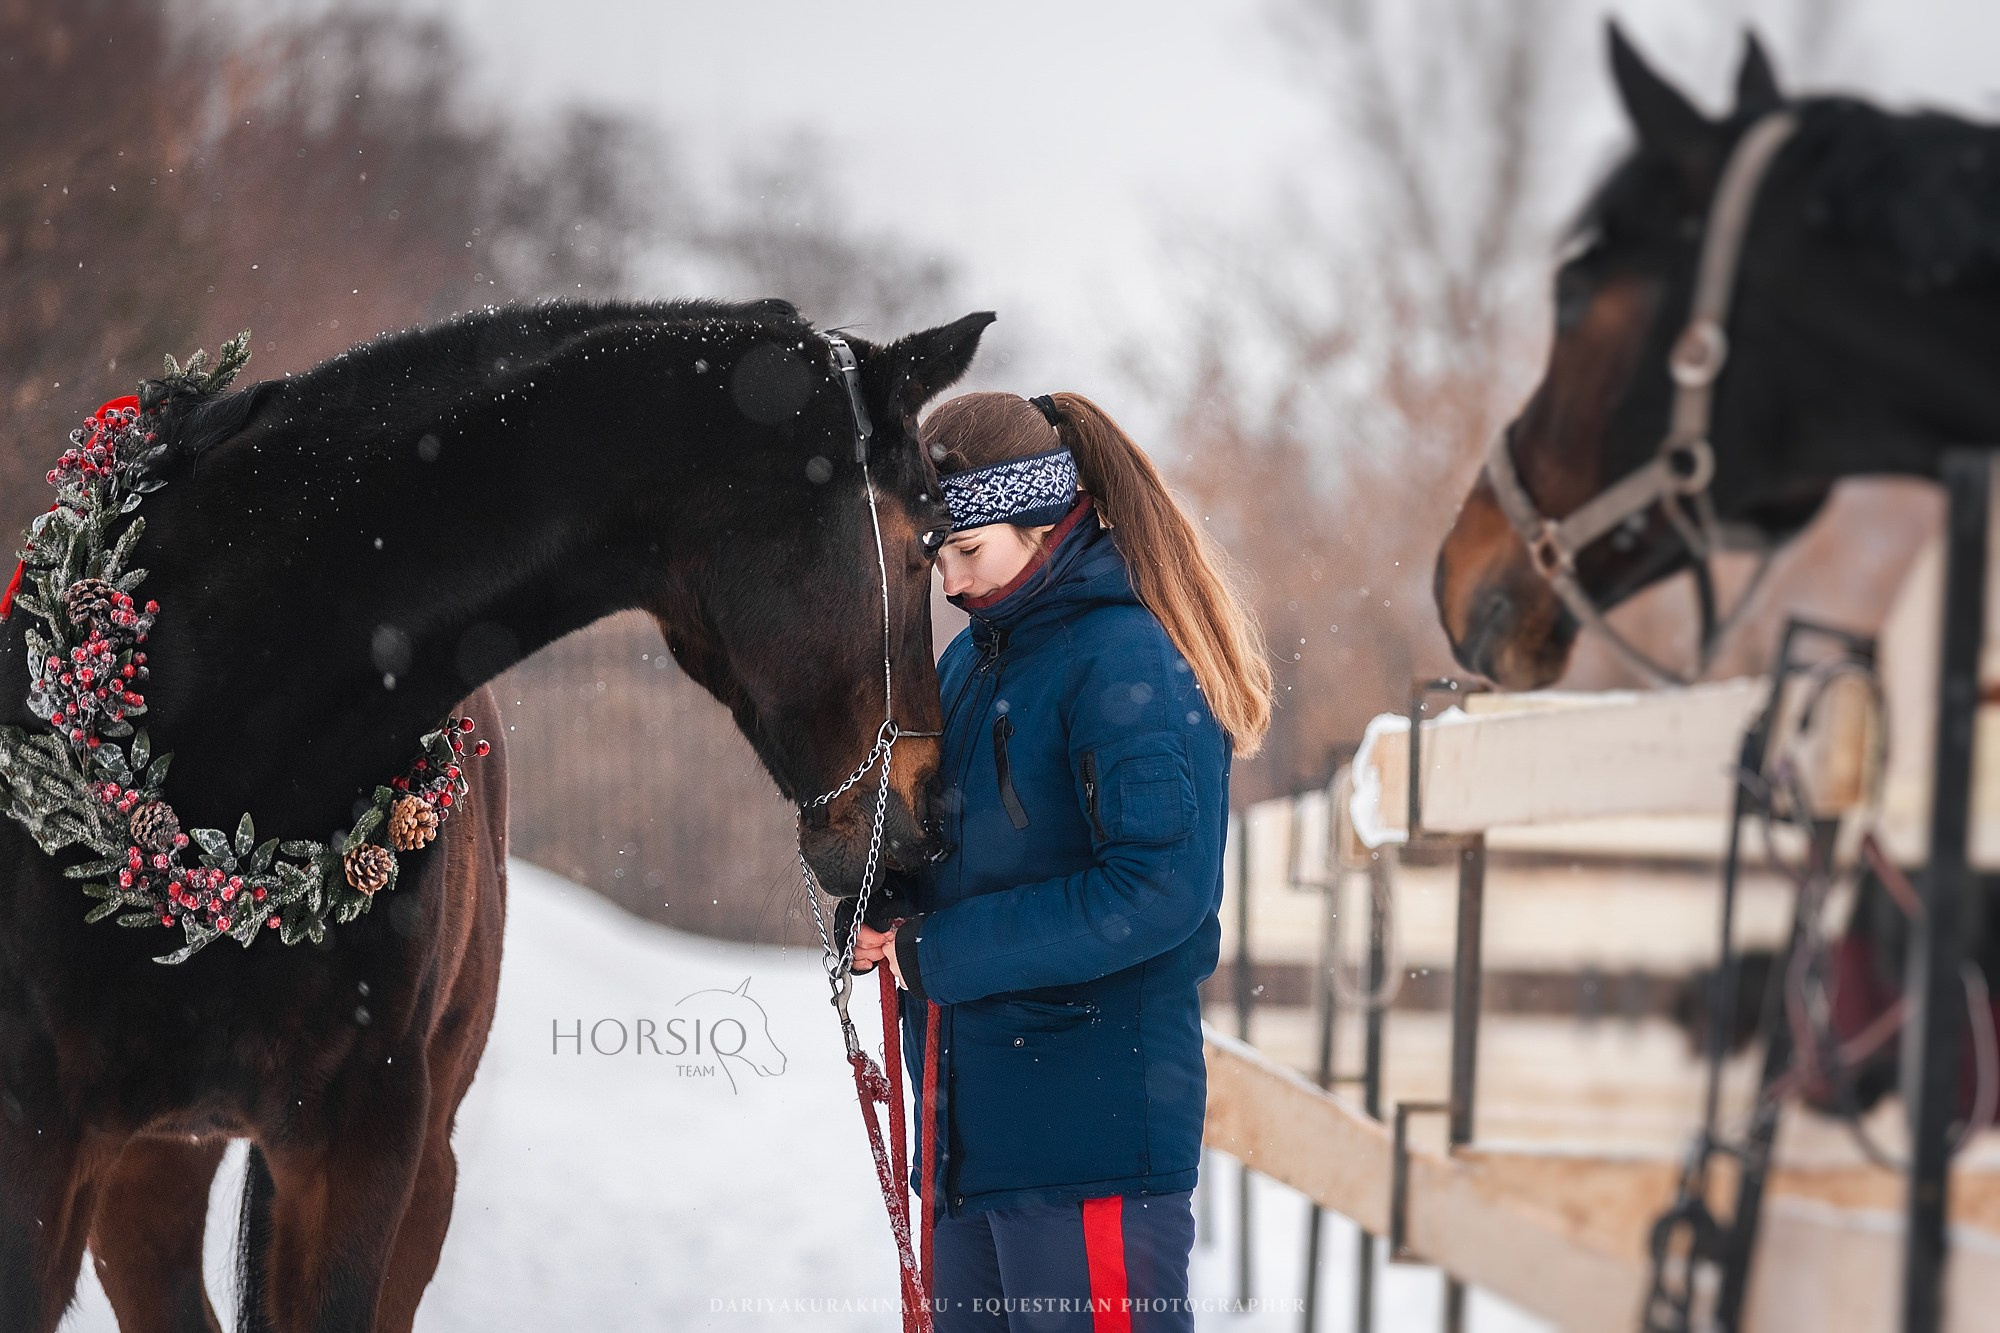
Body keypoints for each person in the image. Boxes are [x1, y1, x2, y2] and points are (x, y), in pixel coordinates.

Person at [844, 390, 1272, 1331]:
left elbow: (1159, 889)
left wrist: (939, 952)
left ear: (1044, 518)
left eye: (969, 551)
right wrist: (891, 897)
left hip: (1092, 1142)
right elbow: (974, 850)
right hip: (969, 1143)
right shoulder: (971, 665)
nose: (951, 584)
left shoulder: (1135, 663)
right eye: (938, 558)